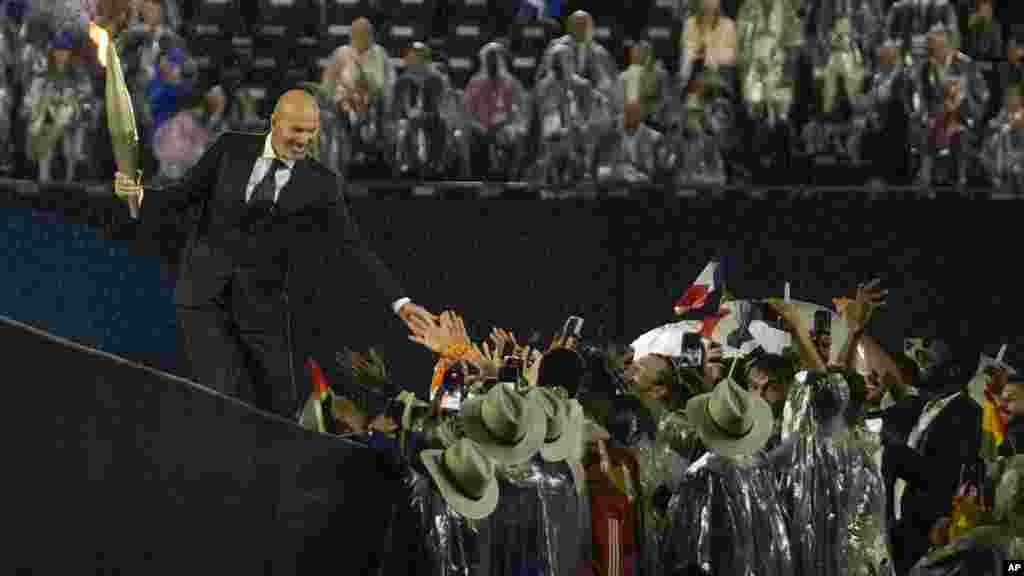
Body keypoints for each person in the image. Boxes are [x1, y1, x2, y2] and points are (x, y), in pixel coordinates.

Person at [112, 89, 435, 419]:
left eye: (311, 131)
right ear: (274, 122)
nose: (304, 140)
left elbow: (353, 248)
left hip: (261, 311)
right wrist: (139, 195)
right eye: (296, 130)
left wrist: (401, 303)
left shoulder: (322, 184)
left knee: (280, 412)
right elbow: (181, 197)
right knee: (230, 397)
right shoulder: (229, 149)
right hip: (203, 298)